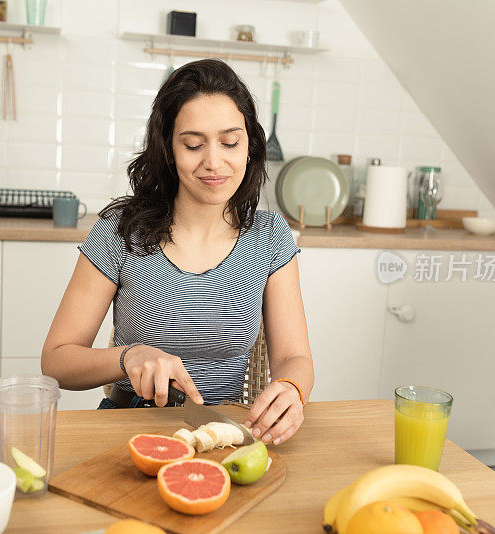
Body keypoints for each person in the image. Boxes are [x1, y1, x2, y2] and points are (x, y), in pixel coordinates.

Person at [42, 59, 313, 446]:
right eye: (193, 144)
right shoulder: (120, 231)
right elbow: (56, 359)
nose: (214, 162)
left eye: (230, 142)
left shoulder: (270, 237)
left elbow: (294, 357)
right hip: (126, 429)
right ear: (168, 149)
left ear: (250, 146)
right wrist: (128, 356)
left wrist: (292, 388)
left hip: (225, 436)